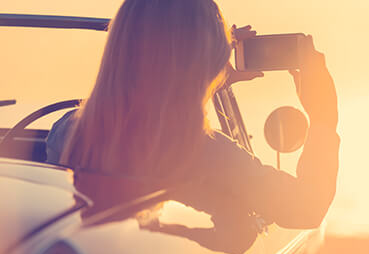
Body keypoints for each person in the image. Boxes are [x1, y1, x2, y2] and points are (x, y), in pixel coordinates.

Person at [47, 0, 339, 229]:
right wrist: (324, 117)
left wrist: (209, 76)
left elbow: (149, 106)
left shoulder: (66, 133)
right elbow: (306, 208)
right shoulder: (208, 156)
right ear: (206, 60)